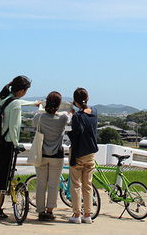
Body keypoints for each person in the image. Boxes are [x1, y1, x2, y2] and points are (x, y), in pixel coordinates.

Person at [0, 75, 41, 220]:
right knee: (1, 179)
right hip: (6, 145)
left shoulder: (1, 98)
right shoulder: (14, 104)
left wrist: (34, 103)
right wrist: (17, 144)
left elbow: (17, 101)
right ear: (22, 90)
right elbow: (14, 127)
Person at [31, 91, 71, 221]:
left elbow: (34, 122)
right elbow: (70, 115)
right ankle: (50, 211)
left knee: (41, 184)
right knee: (53, 184)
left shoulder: (40, 118)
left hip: (41, 155)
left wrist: (39, 108)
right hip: (57, 155)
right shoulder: (62, 119)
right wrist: (70, 109)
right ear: (59, 105)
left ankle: (40, 211)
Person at [67, 87, 99, 224]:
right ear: (88, 98)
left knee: (76, 185)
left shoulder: (77, 117)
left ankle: (77, 214)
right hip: (91, 154)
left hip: (78, 154)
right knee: (88, 185)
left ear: (75, 101)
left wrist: (73, 114)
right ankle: (87, 214)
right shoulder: (95, 112)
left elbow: (75, 136)